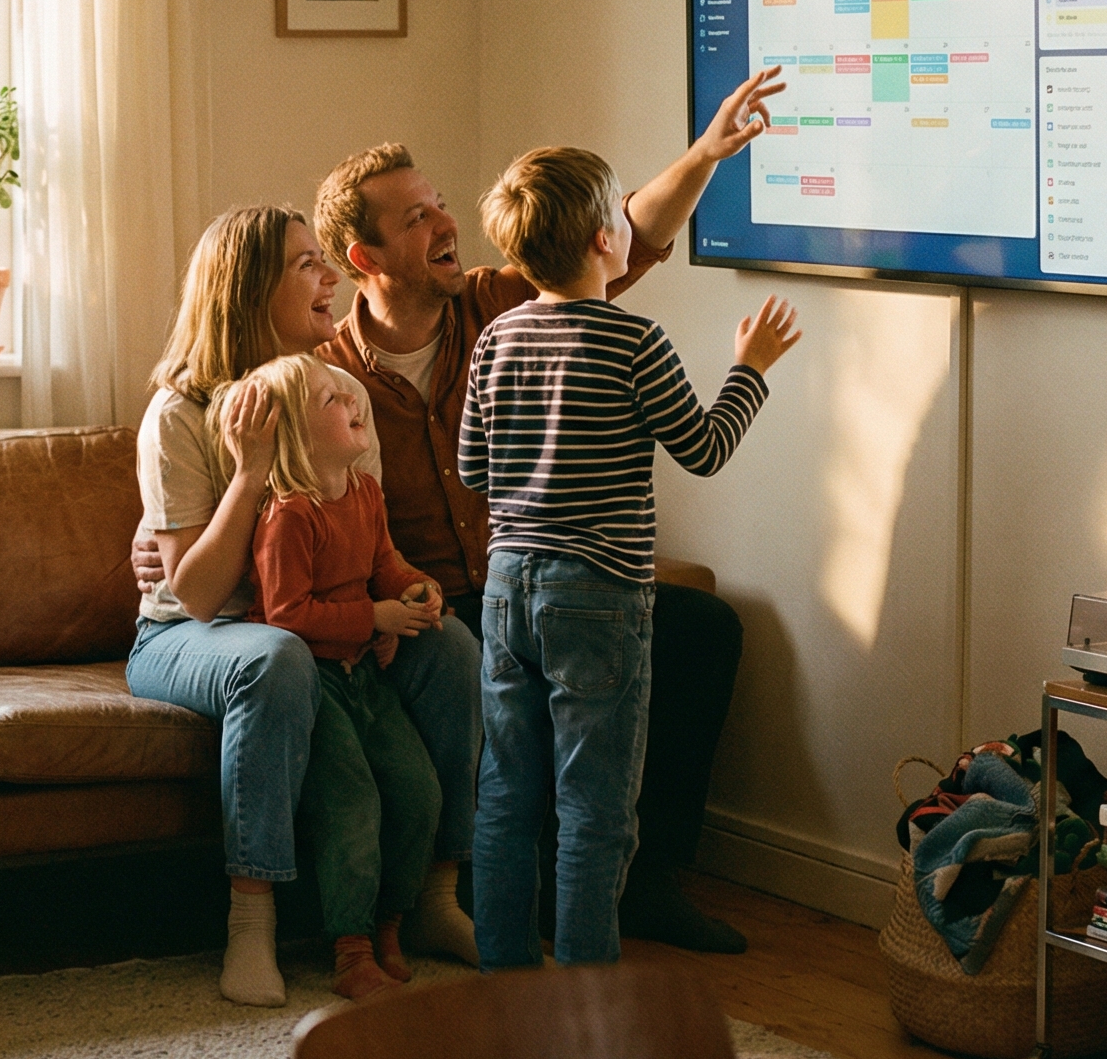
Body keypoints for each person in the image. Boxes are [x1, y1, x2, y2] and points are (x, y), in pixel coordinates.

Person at [310, 68, 784, 953]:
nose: (444, 224)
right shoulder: (325, 375)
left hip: (509, 584)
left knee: (700, 629)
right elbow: (703, 442)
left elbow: (632, 232)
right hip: (433, 605)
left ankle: (631, 893)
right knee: (588, 784)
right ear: (363, 260)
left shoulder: (493, 313)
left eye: (442, 205)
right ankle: (581, 963)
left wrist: (709, 151)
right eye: (416, 219)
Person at [127, 205, 482, 1009]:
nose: (331, 278)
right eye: (305, 265)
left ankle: (432, 899)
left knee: (454, 647)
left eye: (327, 260)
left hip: (318, 625)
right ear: (250, 289)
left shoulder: (341, 396)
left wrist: (402, 597)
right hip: (193, 634)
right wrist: (250, 473)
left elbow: (368, 542)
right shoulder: (180, 415)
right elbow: (197, 593)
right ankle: (251, 925)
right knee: (274, 654)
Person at [460, 146, 801, 969]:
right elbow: (706, 446)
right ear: (603, 239)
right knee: (596, 805)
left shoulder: (498, 335)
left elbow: (475, 468)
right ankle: (586, 987)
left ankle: (505, 972)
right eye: (621, 209)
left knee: (507, 791)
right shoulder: (633, 340)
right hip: (599, 594)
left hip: (508, 588)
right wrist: (749, 368)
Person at [223, 353, 446, 1000]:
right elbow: (285, 615)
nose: (352, 404)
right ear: (294, 430)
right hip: (313, 686)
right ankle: (349, 949)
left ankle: (390, 924)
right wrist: (372, 617)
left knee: (418, 789)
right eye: (330, 399)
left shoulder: (365, 494)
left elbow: (385, 566)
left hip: (365, 680)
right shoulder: (288, 515)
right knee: (353, 802)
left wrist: (416, 590)